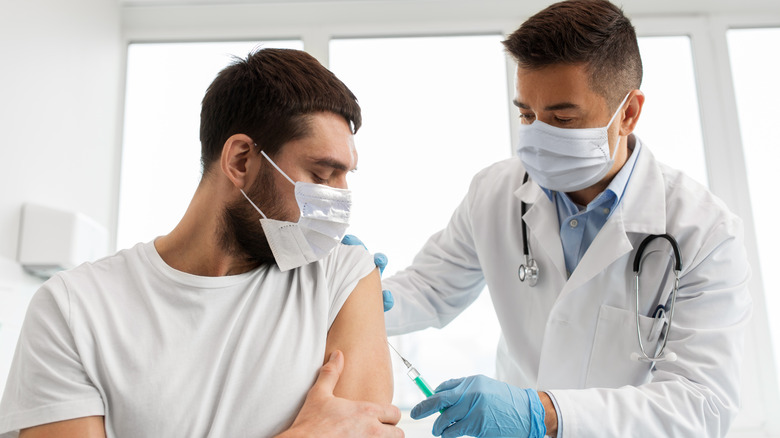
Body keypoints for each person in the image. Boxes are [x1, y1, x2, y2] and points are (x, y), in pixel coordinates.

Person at [381, 1, 753, 437]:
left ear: (628, 113)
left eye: (562, 117)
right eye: (526, 115)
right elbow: (429, 288)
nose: (538, 136)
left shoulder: (704, 231)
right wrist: (354, 292)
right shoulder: (495, 192)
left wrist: (543, 414)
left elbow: (701, 404)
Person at [0, 48, 403, 438]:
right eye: (321, 175)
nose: (340, 201)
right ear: (241, 160)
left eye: (346, 176)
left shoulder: (342, 276)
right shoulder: (75, 310)